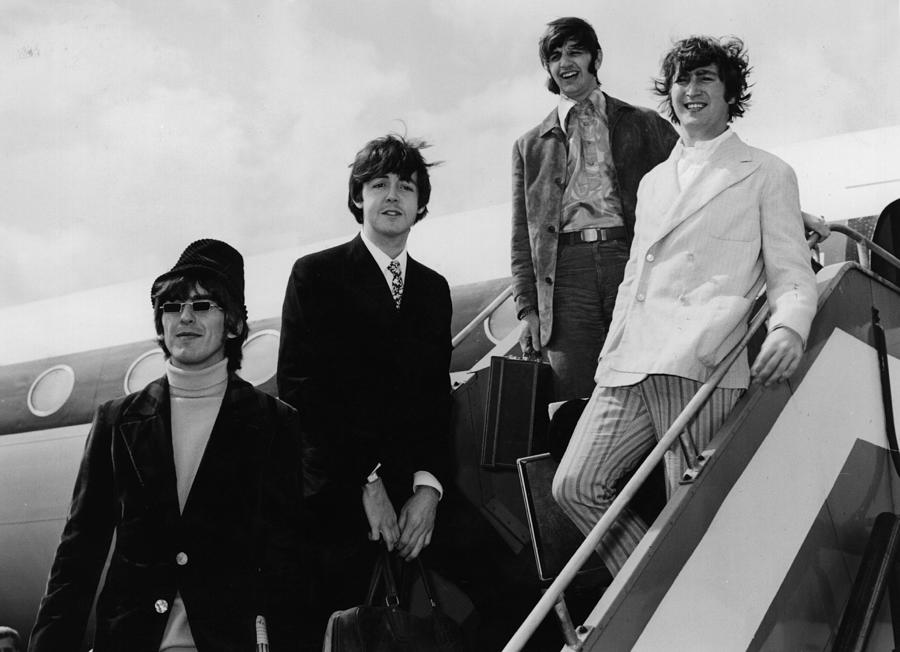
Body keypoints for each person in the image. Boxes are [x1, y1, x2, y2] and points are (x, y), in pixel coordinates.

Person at [552, 36, 818, 575]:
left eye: (705, 79)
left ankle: (683, 611)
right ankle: (656, 588)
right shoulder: (652, 182)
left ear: (729, 93)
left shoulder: (767, 172)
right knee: (575, 485)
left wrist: (789, 329)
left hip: (701, 359)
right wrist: (612, 351)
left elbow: (792, 273)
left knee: (689, 511)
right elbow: (634, 276)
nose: (690, 91)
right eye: (681, 81)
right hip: (630, 361)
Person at [29, 239, 309, 651]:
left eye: (202, 306)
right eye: (173, 307)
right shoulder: (117, 421)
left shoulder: (274, 422)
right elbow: (78, 554)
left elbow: (288, 559)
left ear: (232, 324)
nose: (185, 318)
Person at [277, 135, 452, 638]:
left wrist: (429, 490)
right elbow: (301, 389)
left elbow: (436, 400)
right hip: (340, 491)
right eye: (379, 184)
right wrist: (367, 481)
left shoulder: (432, 289)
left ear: (421, 205)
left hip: (414, 497)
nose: (393, 196)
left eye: (407, 186)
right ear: (359, 198)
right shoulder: (317, 275)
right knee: (345, 627)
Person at [511, 16, 679, 401]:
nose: (565, 62)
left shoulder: (645, 123)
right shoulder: (529, 146)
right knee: (573, 399)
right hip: (566, 277)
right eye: (555, 56)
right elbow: (523, 237)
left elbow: (699, 173)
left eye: (575, 51)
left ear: (596, 57)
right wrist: (527, 311)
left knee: (648, 387)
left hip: (632, 262)